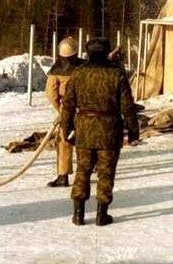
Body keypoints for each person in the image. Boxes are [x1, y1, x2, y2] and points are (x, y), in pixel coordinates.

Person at [61, 37, 140, 226]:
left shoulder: (78, 73)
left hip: (84, 128)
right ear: (107, 52)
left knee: (83, 170)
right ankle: (101, 214)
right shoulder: (117, 74)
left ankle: (78, 214)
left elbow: (68, 105)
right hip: (109, 129)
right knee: (106, 172)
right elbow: (127, 106)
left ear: (88, 52)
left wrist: (66, 127)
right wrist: (133, 130)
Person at [44, 36, 84, 187]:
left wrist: (60, 110)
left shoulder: (55, 71)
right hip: (85, 109)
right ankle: (86, 170)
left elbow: (51, 94)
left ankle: (63, 176)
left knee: (63, 141)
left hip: (66, 110)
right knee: (86, 140)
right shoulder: (84, 67)